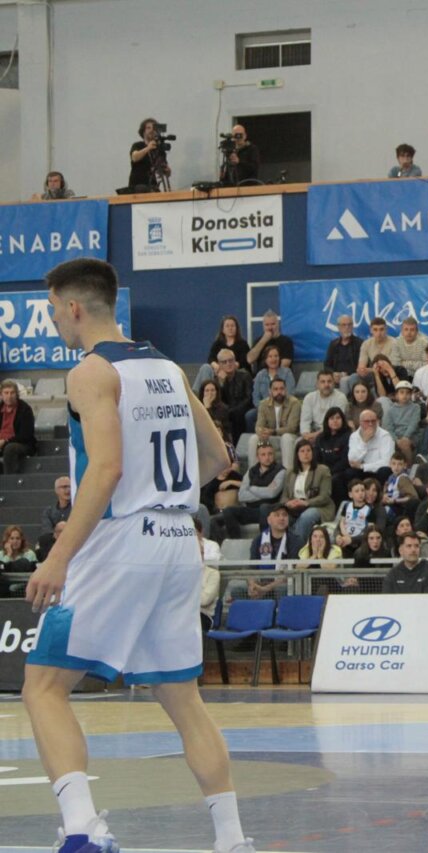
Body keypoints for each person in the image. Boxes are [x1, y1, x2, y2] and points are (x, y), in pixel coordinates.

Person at [23, 258, 251, 852]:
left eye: (51, 309)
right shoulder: (166, 367)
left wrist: (59, 557)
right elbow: (219, 458)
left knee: (43, 687)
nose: (51, 320)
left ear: (73, 308)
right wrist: (165, 496)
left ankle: (82, 830)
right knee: (184, 700)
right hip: (179, 541)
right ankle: (232, 840)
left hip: (120, 541)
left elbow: (106, 468)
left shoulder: (90, 372)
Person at [281, 439, 333, 540]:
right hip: (294, 507)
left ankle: (295, 547)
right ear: (297, 454)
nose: (306, 454)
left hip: (317, 507)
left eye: (308, 450)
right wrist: (288, 503)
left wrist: (306, 503)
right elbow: (284, 496)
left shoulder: (322, 470)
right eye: (302, 451)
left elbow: (325, 496)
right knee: (276, 515)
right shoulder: (290, 472)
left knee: (306, 516)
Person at [347, 409, 395, 485]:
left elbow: (387, 462)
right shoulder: (354, 436)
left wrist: (363, 466)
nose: (370, 424)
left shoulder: (385, 436)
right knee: (350, 473)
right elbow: (352, 460)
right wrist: (364, 441)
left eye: (373, 421)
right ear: (360, 422)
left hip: (377, 471)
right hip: (362, 472)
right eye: (367, 421)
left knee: (385, 470)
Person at [0, 379, 37, 474]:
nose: (9, 396)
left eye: (12, 393)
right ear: (1, 395)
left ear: (17, 394)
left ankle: (10, 483)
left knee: (10, 448)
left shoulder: (25, 409)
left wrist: (5, 441)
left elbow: (25, 435)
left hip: (21, 444)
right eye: (6, 393)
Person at [126, 117, 171, 192]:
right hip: (137, 188)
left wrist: (167, 171)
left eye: (154, 128)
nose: (152, 130)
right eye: (148, 128)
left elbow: (161, 172)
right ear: (143, 132)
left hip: (153, 187)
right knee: (143, 189)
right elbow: (134, 157)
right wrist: (148, 148)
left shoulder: (159, 150)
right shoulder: (138, 145)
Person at [245, 310, 294, 376]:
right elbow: (250, 359)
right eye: (267, 325)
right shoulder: (259, 341)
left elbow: (285, 365)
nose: (270, 327)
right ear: (263, 326)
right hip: (261, 379)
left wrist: (273, 378)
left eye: (273, 324)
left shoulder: (286, 341)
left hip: (280, 378)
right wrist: (264, 340)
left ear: (278, 324)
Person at [323, 315, 363, 390]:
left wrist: (345, 374)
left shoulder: (360, 344)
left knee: (344, 381)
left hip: (352, 377)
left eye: (349, 324)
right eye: (344, 325)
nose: (347, 327)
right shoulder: (333, 344)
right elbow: (326, 365)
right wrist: (333, 374)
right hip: (335, 377)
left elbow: (362, 366)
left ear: (352, 326)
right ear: (338, 327)